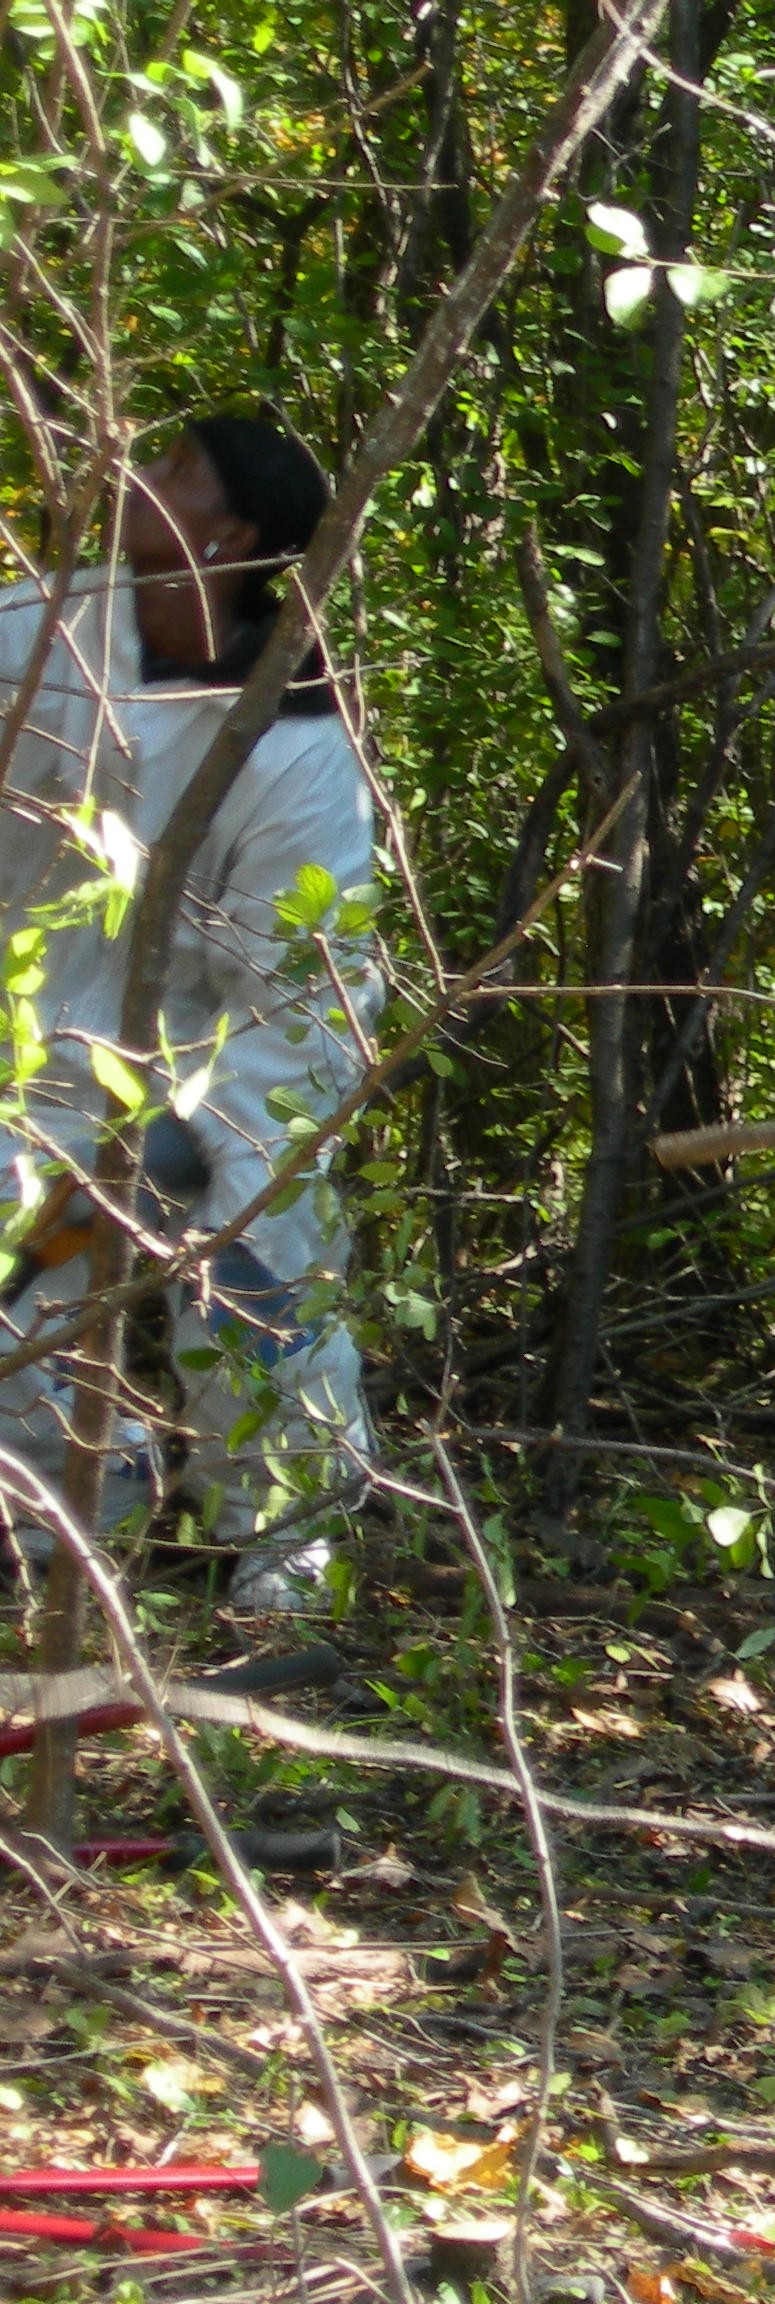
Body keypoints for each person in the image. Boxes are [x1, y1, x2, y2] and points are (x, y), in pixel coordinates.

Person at [0, 417, 378, 1610]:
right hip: (27, 1054)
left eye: (174, 474)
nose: (135, 477)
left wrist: (203, 1146)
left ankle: (287, 1555)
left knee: (260, 1262)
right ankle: (62, 1541)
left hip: (216, 1064)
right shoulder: (39, 630)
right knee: (16, 1267)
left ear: (232, 536)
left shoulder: (297, 744)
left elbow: (300, 990)